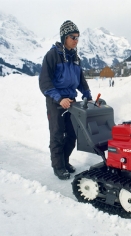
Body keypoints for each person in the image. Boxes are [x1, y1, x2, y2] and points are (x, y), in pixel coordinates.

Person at [39, 20, 92, 180]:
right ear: (64, 37)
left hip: (72, 102)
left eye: (77, 37)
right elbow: (45, 82)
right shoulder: (52, 55)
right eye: (72, 37)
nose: (76, 40)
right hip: (56, 102)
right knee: (57, 135)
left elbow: (81, 80)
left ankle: (65, 161)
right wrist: (59, 98)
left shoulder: (75, 58)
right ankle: (58, 166)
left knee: (72, 135)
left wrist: (87, 94)